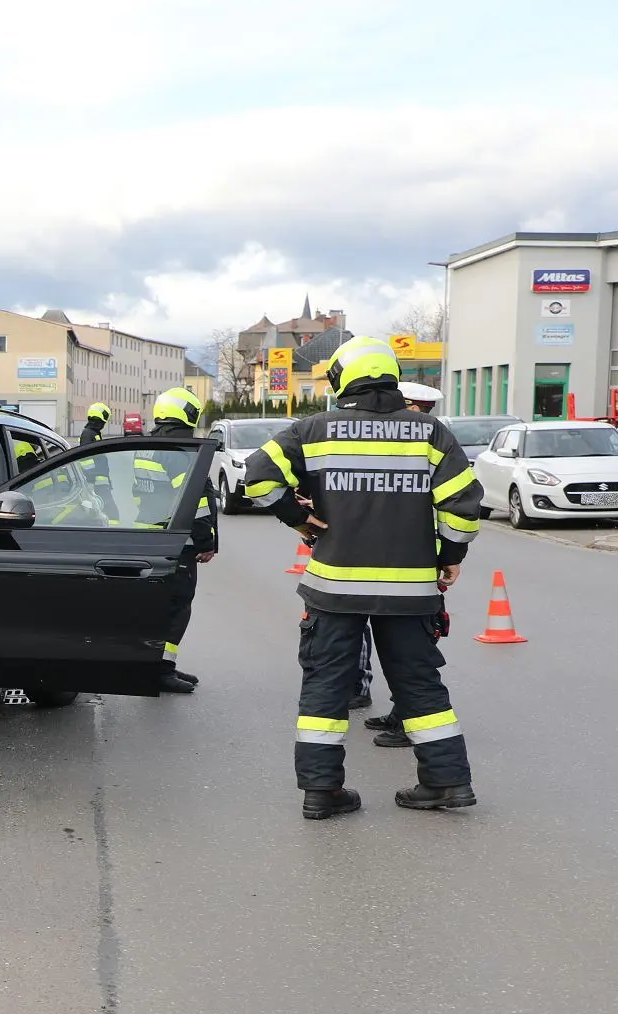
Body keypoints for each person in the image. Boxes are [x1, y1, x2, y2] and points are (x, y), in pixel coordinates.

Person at [243, 335, 484, 820]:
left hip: (334, 589)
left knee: (326, 687)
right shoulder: (429, 432)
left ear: (340, 380)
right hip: (410, 589)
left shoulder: (312, 430)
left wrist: (298, 517)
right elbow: (462, 507)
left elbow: (258, 475)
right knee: (420, 686)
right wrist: (449, 555)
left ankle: (321, 792)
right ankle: (446, 782)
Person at [362, 379, 447, 744]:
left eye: (421, 410)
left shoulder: (427, 438)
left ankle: (410, 722)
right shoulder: (418, 438)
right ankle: (401, 712)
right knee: (404, 651)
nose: (415, 415)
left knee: (411, 655)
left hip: (408, 561)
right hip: (410, 559)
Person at [139, 387, 217, 693]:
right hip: (177, 542)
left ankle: (156, 665)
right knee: (176, 608)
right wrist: (205, 541)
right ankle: (161, 670)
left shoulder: (151, 445)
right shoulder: (181, 450)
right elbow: (193, 501)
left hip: (152, 535)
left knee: (158, 607)